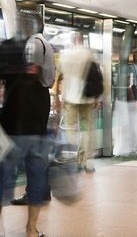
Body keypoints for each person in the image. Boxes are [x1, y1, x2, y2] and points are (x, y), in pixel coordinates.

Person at [0, 13, 50, 237]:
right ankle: (31, 230)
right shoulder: (45, 47)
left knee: (2, 175)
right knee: (37, 177)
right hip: (38, 122)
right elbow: (49, 81)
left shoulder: (7, 47)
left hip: (12, 122)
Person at [11, 18, 55, 206]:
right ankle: (43, 190)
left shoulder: (34, 43)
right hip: (41, 95)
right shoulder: (45, 43)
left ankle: (34, 193)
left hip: (34, 96)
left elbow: (32, 71)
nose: (21, 27)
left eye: (24, 24)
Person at [56, 32, 99, 173]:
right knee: (86, 131)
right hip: (86, 98)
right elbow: (96, 77)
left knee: (70, 129)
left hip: (70, 99)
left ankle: (72, 159)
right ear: (82, 40)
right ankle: (84, 161)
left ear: (73, 41)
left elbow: (59, 76)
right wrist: (96, 98)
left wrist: (57, 97)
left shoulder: (66, 54)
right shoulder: (89, 54)